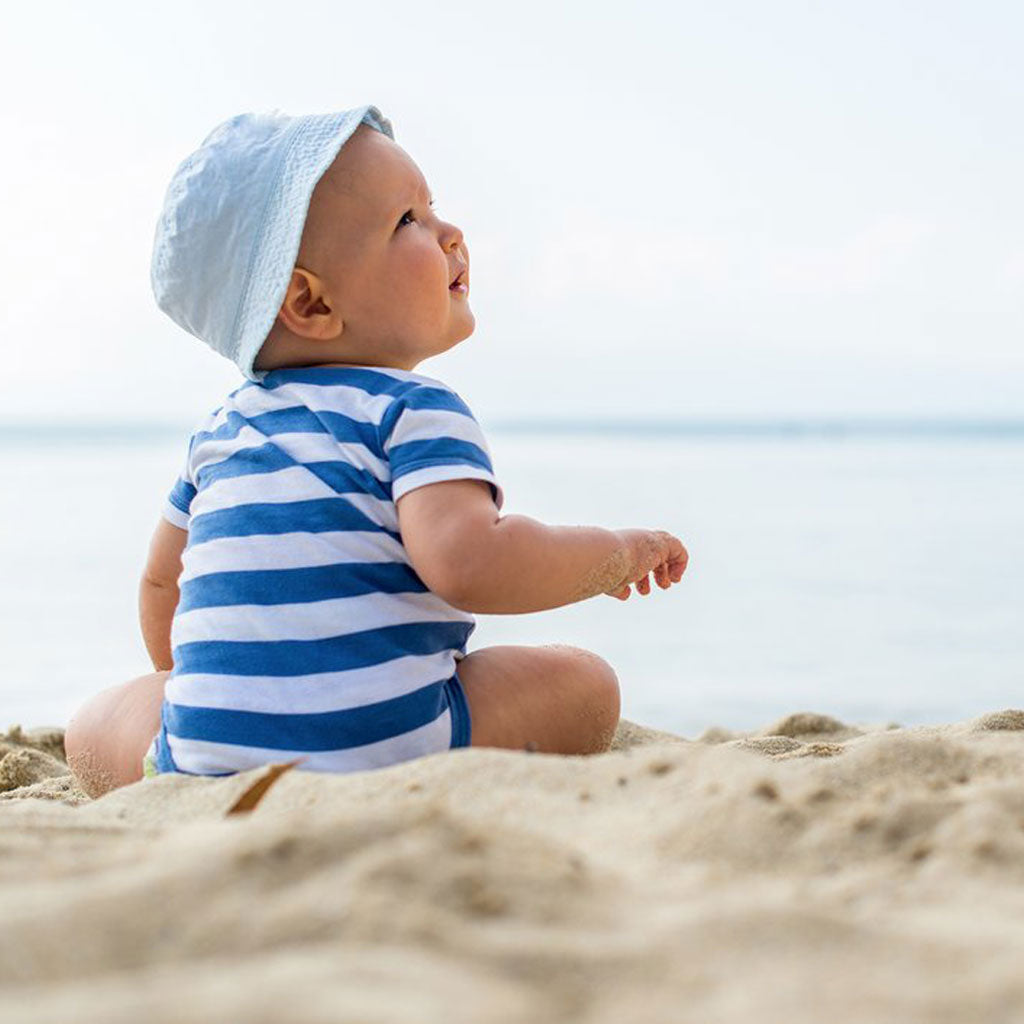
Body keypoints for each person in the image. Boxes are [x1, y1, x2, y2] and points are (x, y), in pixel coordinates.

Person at [64, 104, 688, 798]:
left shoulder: (221, 432)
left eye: (433, 207)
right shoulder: (412, 409)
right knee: (584, 682)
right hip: (393, 748)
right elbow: (471, 562)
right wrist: (615, 554)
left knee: (92, 722)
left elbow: (163, 584)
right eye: (408, 222)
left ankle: (191, 748)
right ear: (310, 303)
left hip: (207, 760)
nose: (450, 233)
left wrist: (220, 697)